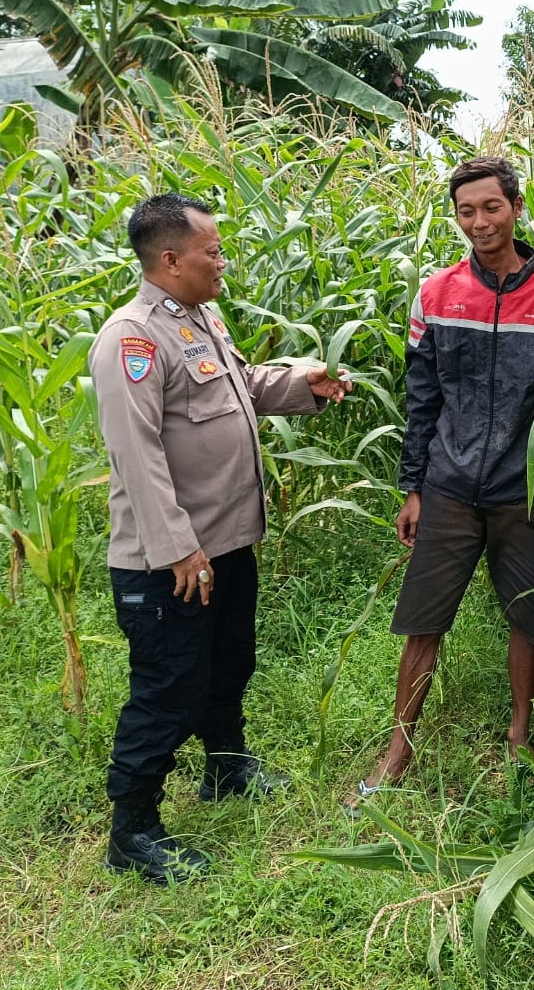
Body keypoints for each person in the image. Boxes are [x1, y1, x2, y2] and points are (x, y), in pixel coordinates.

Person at [88, 191, 352, 884]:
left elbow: (240, 388)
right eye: (213, 251)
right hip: (172, 560)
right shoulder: (132, 338)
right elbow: (136, 453)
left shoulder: (200, 318)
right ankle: (132, 830)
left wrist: (302, 383)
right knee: (170, 686)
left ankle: (226, 768)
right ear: (171, 259)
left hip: (226, 542)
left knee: (229, 662)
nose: (223, 261)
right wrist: (178, 547)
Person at [353, 156, 534, 802]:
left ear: (516, 207)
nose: (479, 222)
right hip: (449, 484)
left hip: (524, 485)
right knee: (423, 620)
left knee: (526, 616)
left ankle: (519, 734)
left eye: (491, 207)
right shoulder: (437, 294)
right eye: (466, 211)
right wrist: (413, 487)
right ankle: (398, 750)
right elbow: (423, 398)